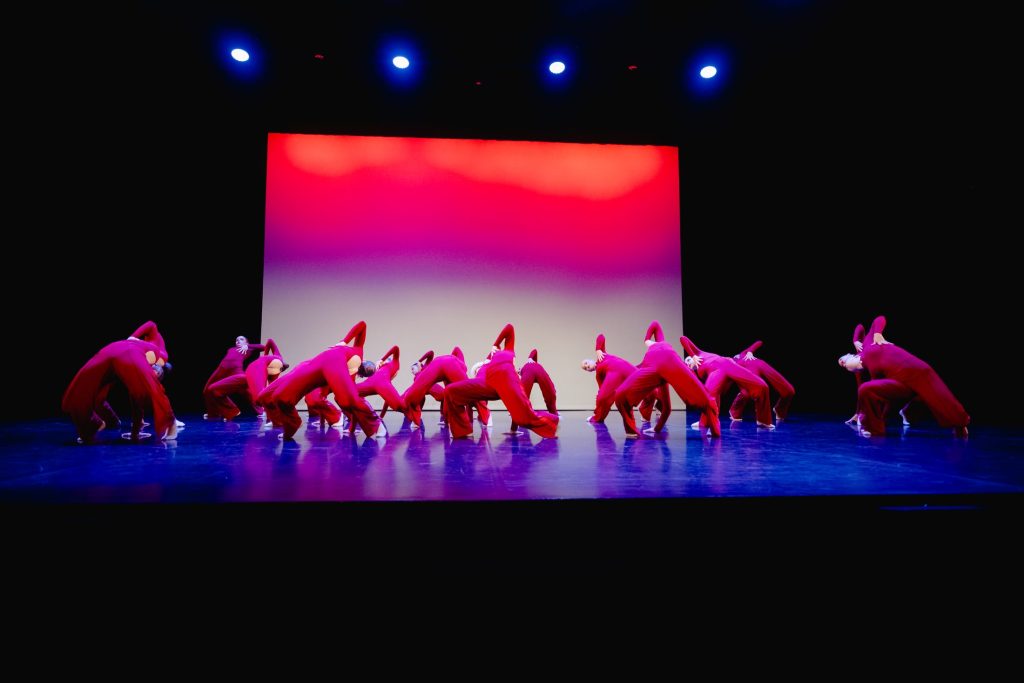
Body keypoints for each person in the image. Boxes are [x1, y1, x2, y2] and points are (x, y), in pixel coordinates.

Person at [838, 315, 969, 437]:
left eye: (842, 361)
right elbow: (874, 395)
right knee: (866, 389)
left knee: (937, 395)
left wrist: (869, 336)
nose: (843, 363)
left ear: (850, 355)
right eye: (842, 366)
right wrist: (858, 412)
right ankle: (874, 430)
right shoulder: (864, 372)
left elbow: (877, 320)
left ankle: (957, 423)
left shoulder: (866, 344)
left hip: (916, 370)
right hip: (900, 384)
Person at [255, 321, 379, 440]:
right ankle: (280, 420)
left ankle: (295, 422)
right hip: (310, 367)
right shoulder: (357, 354)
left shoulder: (350, 372)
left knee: (286, 397)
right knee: (268, 396)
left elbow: (349, 402)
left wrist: (344, 341)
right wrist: (344, 341)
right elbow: (362, 325)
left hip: (316, 373)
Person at [443, 324, 558, 439]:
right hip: (486, 383)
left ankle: (552, 422)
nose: (478, 368)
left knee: (521, 417)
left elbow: (509, 328)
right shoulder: (485, 365)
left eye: (478, 367)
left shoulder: (505, 350)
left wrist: (495, 344)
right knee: (450, 391)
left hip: (506, 382)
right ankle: (463, 431)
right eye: (476, 369)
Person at [62, 327, 177, 443]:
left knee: (141, 390)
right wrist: (133, 337)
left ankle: (169, 421)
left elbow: (136, 397)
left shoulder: (144, 363)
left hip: (115, 349)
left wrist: (135, 431)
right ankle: (93, 424)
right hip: (122, 350)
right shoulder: (160, 356)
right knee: (81, 389)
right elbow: (151, 325)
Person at [613, 321, 719, 438]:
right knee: (620, 395)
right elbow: (667, 408)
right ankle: (631, 431)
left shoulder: (656, 346)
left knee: (702, 396)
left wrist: (646, 340)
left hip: (666, 362)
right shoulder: (659, 353)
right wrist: (657, 428)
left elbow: (655, 324)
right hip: (659, 364)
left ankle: (715, 428)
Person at [679, 334, 774, 429]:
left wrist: (693, 355)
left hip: (727, 363)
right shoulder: (698, 372)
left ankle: (763, 421)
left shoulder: (699, 353)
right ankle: (706, 421)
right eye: (687, 363)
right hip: (717, 372)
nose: (689, 362)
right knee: (709, 396)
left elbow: (683, 339)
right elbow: (716, 392)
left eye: (689, 360)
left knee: (762, 386)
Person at [582, 333, 670, 433]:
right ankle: (598, 418)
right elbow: (602, 394)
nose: (587, 366)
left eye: (586, 363)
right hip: (615, 374)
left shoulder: (602, 355)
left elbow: (601, 336)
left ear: (591, 360)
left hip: (626, 368)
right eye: (585, 368)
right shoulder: (598, 375)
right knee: (603, 398)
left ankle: (650, 411)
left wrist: (598, 349)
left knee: (651, 389)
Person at [203, 337, 277, 420]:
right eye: (237, 340)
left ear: (246, 342)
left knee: (246, 391)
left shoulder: (247, 348)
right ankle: (213, 413)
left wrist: (248, 346)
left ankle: (261, 411)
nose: (238, 341)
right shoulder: (231, 349)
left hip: (236, 371)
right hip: (221, 370)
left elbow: (263, 347)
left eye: (241, 339)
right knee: (207, 390)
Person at [727, 340, 796, 423]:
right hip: (748, 371)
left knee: (789, 390)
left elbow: (759, 342)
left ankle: (780, 409)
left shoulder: (743, 353)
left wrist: (750, 351)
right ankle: (735, 411)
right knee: (747, 393)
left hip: (761, 364)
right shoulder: (730, 363)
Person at [510, 349, 558, 434]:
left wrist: (530, 358)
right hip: (537, 370)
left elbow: (534, 351)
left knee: (521, 401)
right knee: (551, 395)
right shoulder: (527, 368)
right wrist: (531, 358)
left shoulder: (527, 366)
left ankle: (513, 429)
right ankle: (555, 419)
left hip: (532, 370)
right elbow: (535, 351)